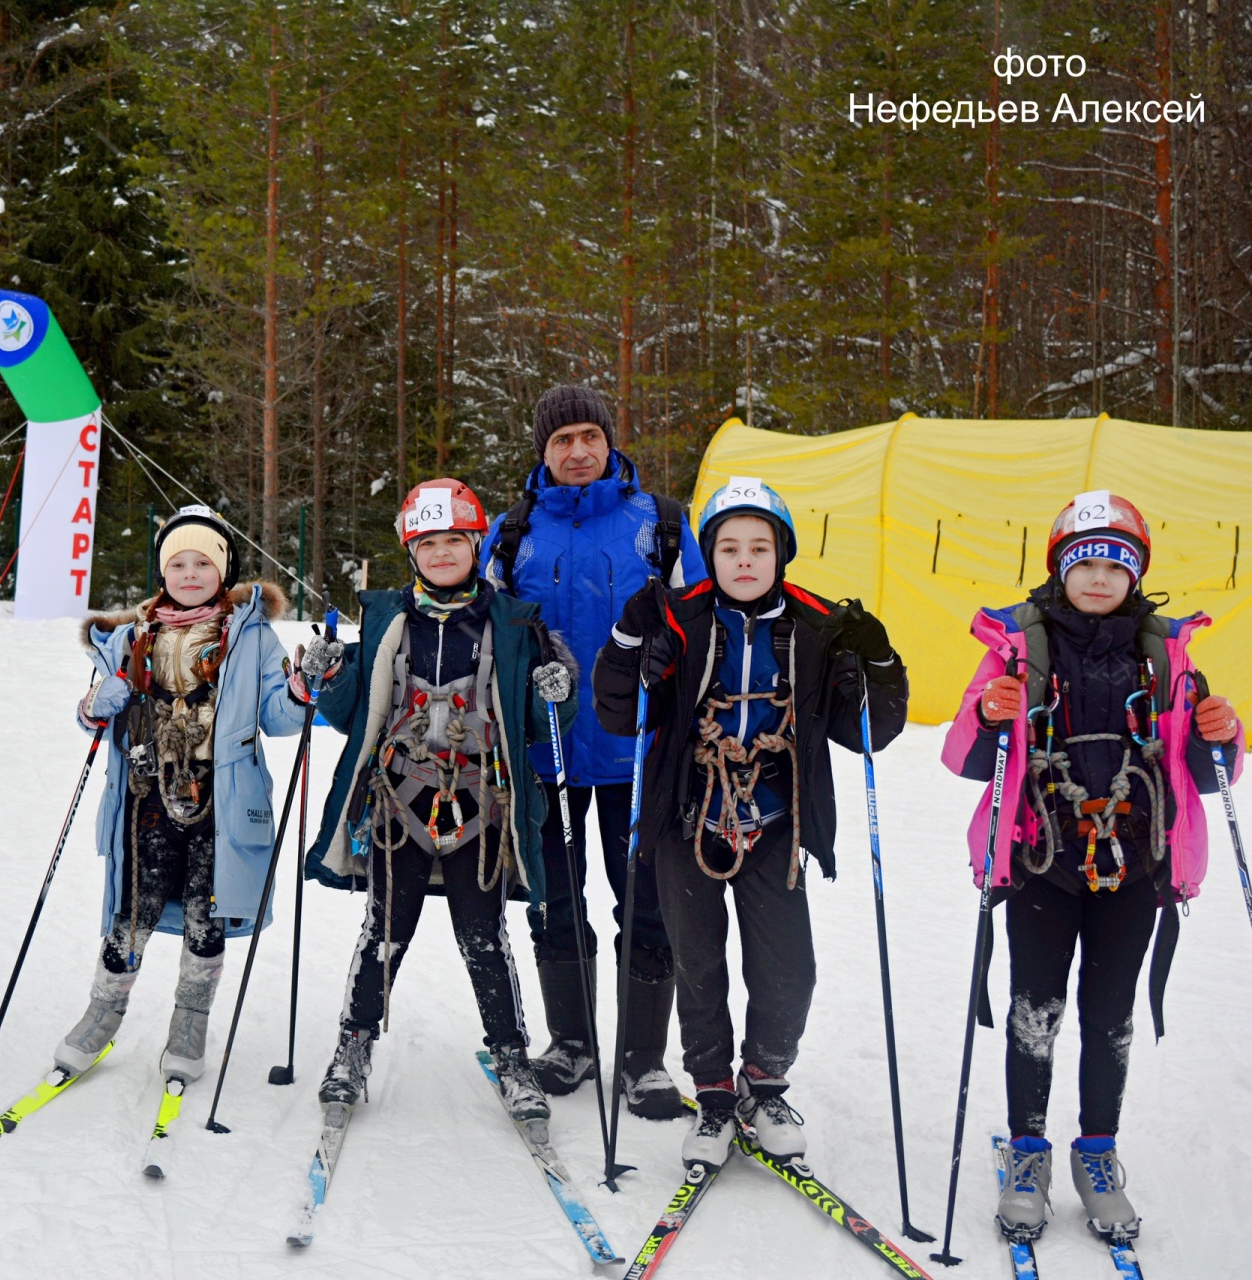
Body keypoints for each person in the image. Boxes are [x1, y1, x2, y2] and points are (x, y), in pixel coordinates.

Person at [942, 490, 1242, 1245]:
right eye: (1086, 561)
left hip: (1135, 866)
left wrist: (1223, 735)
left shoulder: (1169, 654)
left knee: (1111, 1016)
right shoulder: (1017, 648)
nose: (1102, 576)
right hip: (1042, 860)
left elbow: (1204, 773)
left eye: (1118, 562)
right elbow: (966, 758)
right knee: (1034, 1011)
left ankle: (1098, 1149)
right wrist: (986, 713)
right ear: (1060, 569)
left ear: (1136, 574)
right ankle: (1029, 1151)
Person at [592, 477, 906, 1166]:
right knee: (698, 966)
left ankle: (763, 1085)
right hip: (688, 820)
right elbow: (617, 711)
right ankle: (712, 1098)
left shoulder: (816, 624)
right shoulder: (678, 616)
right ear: (711, 553)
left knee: (789, 970)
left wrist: (875, 659)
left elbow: (872, 730)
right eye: (728, 547)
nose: (743, 561)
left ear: (781, 554)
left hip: (774, 824)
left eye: (759, 547)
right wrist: (627, 639)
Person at [303, 478, 577, 1121]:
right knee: (384, 931)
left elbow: (537, 726)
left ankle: (511, 1055)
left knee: (483, 933)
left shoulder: (513, 624)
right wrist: (327, 674)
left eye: (456, 539)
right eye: (430, 542)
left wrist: (552, 692)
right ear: (411, 550)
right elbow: (347, 716)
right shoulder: (385, 619)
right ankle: (352, 1047)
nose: (444, 552)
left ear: (476, 543)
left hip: (482, 804)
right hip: (398, 800)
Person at [480, 383, 701, 1117]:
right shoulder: (513, 533)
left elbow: (705, 624)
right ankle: (571, 1044)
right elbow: (484, 632)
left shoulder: (661, 525)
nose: (577, 452)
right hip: (548, 756)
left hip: (641, 754)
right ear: (542, 451)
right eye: (561, 441)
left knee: (647, 905)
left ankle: (643, 1061)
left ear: (610, 441)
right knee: (554, 903)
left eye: (588, 437)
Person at [61, 505, 306, 1086]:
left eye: (203, 562)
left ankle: (190, 1024)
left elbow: (277, 717)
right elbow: (94, 715)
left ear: (223, 570)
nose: (190, 572)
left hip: (220, 805)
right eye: (178, 562)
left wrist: (301, 688)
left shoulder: (251, 636)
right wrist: (95, 706)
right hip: (146, 796)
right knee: (132, 911)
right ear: (162, 570)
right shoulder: (132, 636)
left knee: (207, 913)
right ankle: (102, 1014)